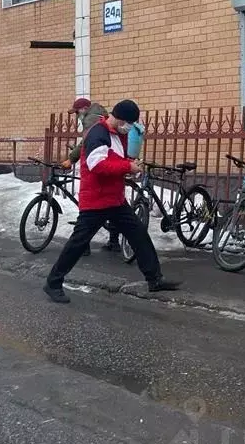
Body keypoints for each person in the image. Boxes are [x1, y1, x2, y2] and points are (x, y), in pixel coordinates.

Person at [44, 100, 180, 304]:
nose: (130, 127)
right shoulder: (98, 132)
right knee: (78, 243)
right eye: (128, 123)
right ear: (118, 118)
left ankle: (154, 279)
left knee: (138, 234)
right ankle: (53, 283)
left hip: (115, 199)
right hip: (96, 200)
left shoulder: (119, 134)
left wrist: (129, 167)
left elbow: (115, 161)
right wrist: (127, 166)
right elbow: (97, 164)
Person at [64, 97, 121, 255]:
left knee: (88, 208)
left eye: (77, 112)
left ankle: (84, 246)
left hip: (95, 167)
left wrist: (72, 157)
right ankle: (114, 241)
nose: (77, 116)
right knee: (111, 204)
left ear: (83, 109)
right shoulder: (99, 115)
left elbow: (87, 142)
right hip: (108, 162)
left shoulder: (91, 119)